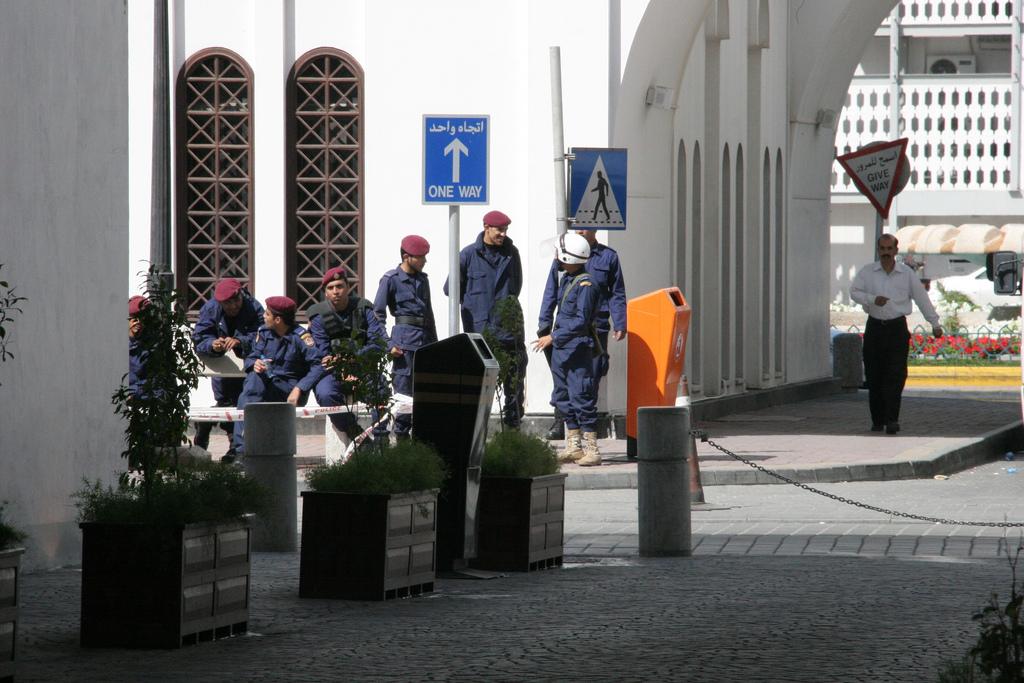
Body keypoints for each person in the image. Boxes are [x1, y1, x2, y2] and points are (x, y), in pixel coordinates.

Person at [850, 234, 943, 434]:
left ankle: (892, 419)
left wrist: (934, 323)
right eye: (882, 249)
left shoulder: (906, 274)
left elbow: (921, 298)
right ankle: (877, 420)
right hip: (875, 327)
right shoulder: (868, 272)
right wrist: (872, 299)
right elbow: (854, 292)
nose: (885, 253)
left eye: (889, 249)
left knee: (896, 375)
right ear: (878, 250)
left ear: (895, 251)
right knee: (875, 375)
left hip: (897, 329)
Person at [538, 229, 627, 440]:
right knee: (562, 386)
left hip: (594, 330)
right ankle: (570, 434)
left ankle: (588, 439)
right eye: (576, 225)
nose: (579, 229)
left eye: (584, 226)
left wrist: (620, 322)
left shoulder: (607, 257)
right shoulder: (563, 258)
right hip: (564, 334)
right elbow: (550, 293)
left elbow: (616, 292)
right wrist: (545, 327)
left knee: (586, 385)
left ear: (595, 229)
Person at [443, 209, 526, 428]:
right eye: (499, 230)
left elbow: (515, 287)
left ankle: (512, 432)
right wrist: (477, 308)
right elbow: (450, 289)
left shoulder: (512, 253)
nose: (503, 234)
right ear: (486, 228)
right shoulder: (468, 255)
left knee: (514, 383)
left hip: (508, 332)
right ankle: (476, 434)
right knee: (477, 386)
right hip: (479, 334)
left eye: (505, 230)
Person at [532, 233, 602, 466]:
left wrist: (553, 336)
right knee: (562, 396)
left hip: (577, 348)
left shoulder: (586, 284)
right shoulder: (567, 278)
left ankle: (592, 449)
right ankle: (574, 446)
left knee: (581, 395)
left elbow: (580, 321)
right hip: (562, 349)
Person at [228, 296, 323, 461]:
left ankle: (242, 451)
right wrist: (254, 364)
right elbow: (252, 356)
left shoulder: (301, 337)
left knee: (250, 392)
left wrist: (299, 388)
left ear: (278, 319)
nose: (264, 317)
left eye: (267, 314)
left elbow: (318, 365)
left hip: (290, 391)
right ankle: (243, 450)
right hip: (264, 387)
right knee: (252, 382)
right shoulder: (264, 332)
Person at [308, 264, 390, 448]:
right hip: (332, 372)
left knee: (381, 388)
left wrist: (356, 359)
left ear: (347, 287)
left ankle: (381, 437)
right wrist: (341, 370)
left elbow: (378, 342)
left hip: (362, 367)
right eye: (331, 288)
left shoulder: (364, 308)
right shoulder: (318, 316)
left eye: (339, 286)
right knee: (325, 394)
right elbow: (322, 352)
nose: (336, 291)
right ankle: (356, 434)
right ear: (325, 292)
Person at [191, 277, 265, 458]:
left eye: (236, 301)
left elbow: (262, 335)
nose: (232, 307)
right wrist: (212, 344)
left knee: (242, 399)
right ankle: (212, 428)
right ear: (220, 302)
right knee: (225, 400)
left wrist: (240, 341)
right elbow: (200, 336)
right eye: (227, 304)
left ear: (241, 295)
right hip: (221, 366)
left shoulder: (254, 307)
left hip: (247, 363)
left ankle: (233, 445)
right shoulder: (211, 308)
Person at [373, 235, 438, 439]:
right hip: (403, 344)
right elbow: (377, 316)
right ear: (406, 257)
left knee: (424, 394)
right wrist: (387, 344)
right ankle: (401, 439)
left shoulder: (423, 280)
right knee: (403, 395)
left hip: (424, 343)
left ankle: (418, 441)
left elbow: (429, 315)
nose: (424, 261)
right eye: (420, 257)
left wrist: (435, 347)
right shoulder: (391, 280)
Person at [127, 295, 150, 398]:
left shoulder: (149, 347)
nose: (139, 322)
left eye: (142, 319)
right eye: (135, 319)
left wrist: (132, 392)